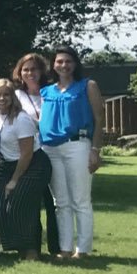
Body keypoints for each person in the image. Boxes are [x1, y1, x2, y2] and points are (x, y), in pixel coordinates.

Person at [39, 46, 103, 259]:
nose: (63, 65)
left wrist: (95, 150)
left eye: (68, 61)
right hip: (50, 148)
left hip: (78, 144)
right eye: (59, 61)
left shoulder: (87, 86)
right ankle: (65, 249)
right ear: (53, 65)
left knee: (80, 200)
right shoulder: (46, 91)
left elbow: (98, 119)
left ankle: (82, 249)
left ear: (75, 64)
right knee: (61, 202)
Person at [0, 79, 49, 260]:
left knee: (20, 206)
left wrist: (14, 180)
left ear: (13, 97)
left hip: (33, 165)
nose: (1, 98)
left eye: (6, 94)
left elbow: (27, 154)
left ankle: (31, 251)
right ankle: (19, 248)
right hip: (8, 164)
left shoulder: (21, 119)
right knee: (1, 207)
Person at [11, 52, 60, 255]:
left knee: (55, 202)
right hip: (28, 152)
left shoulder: (51, 92)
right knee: (30, 202)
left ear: (42, 71)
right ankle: (32, 247)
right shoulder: (15, 96)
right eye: (26, 69)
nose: (30, 73)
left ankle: (57, 246)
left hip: (54, 150)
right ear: (20, 73)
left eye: (34, 69)